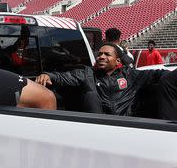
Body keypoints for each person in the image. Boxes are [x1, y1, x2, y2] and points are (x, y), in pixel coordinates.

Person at [35, 43, 167, 116]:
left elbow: (158, 74)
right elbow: (63, 77)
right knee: (90, 95)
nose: (101, 57)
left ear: (118, 61)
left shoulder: (131, 75)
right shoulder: (87, 74)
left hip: (127, 126)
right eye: (99, 54)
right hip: (99, 126)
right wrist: (48, 75)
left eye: (107, 54)